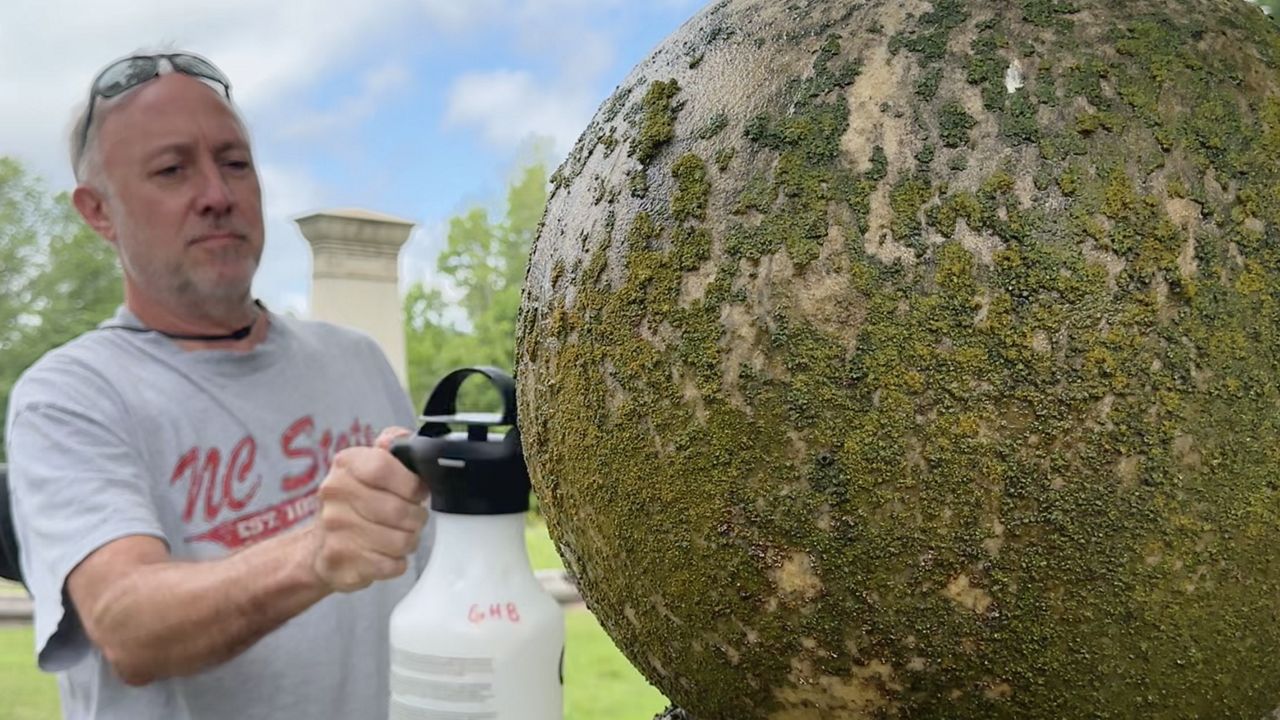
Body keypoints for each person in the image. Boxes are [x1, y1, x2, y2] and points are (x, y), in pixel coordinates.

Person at [3, 51, 430, 719]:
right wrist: (316, 551)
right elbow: (124, 624)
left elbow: (435, 588)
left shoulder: (357, 361)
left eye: (234, 163)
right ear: (98, 212)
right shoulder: (69, 395)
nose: (217, 194)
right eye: (172, 170)